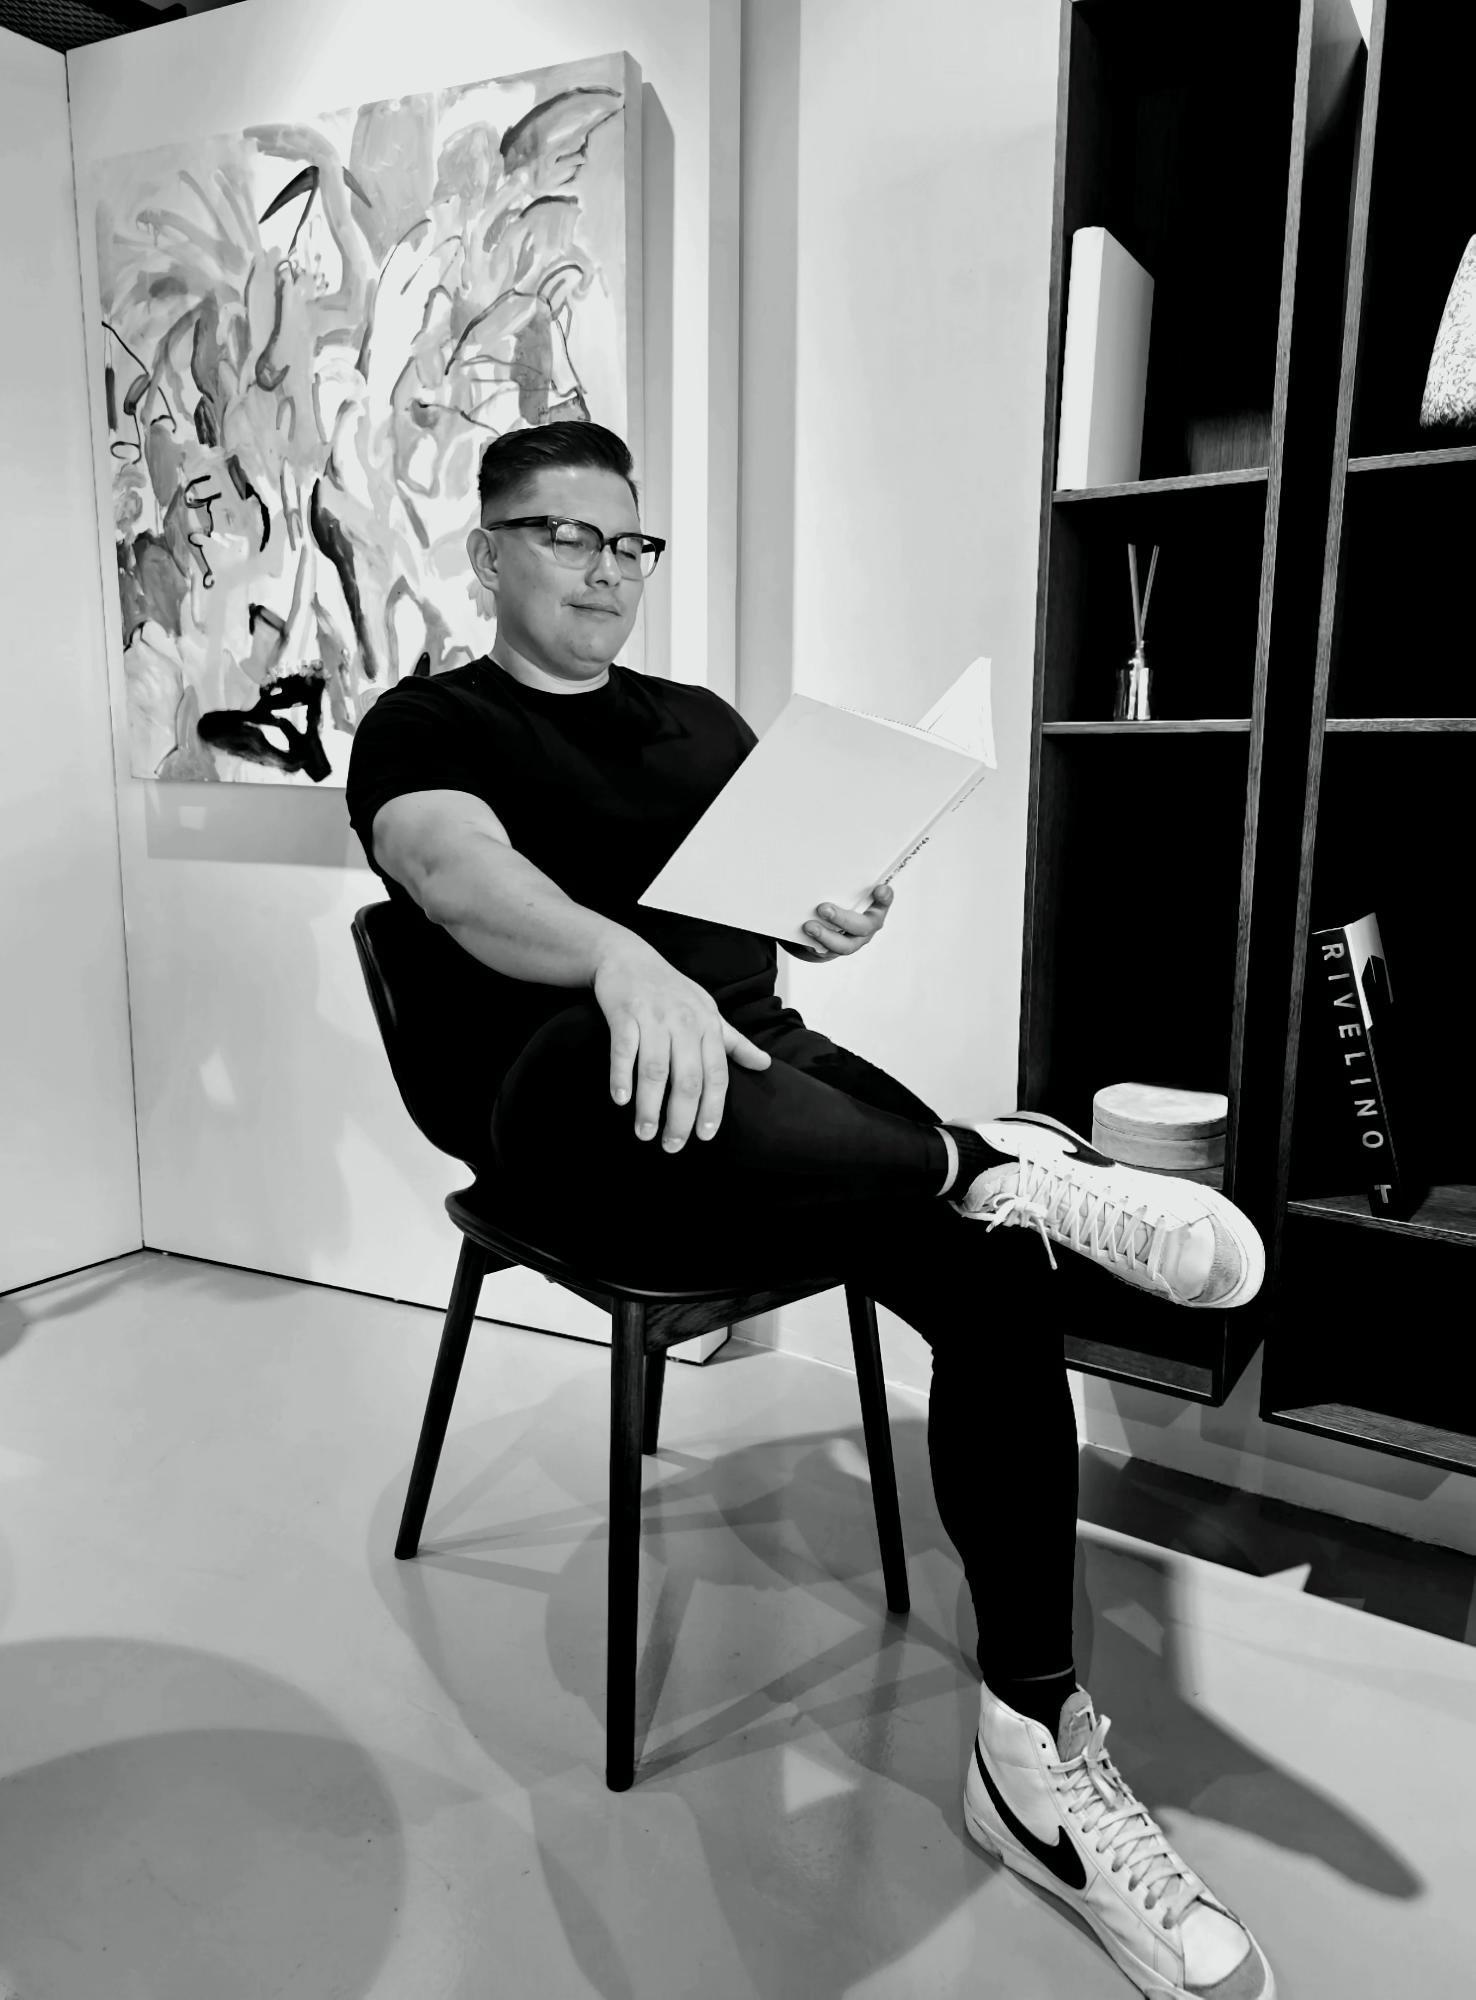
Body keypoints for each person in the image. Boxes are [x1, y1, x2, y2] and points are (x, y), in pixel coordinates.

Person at [345, 420, 1275, 2000]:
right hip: (561, 1098)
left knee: (996, 1282)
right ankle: (989, 1163)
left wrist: (834, 910)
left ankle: (1032, 1757)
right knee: (659, 1066)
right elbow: (452, 875)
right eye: (567, 535)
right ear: (489, 549)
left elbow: (773, 910)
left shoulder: (700, 722)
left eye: (629, 542)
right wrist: (621, 960)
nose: (606, 569)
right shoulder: (430, 723)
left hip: (773, 1098)